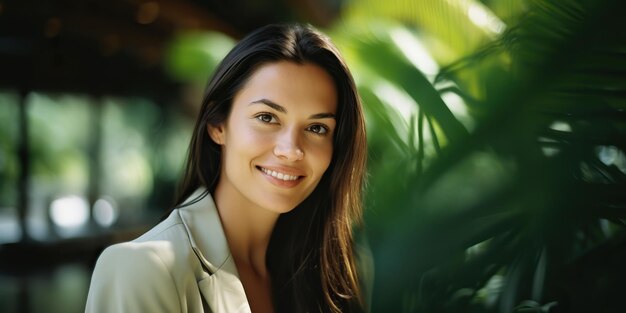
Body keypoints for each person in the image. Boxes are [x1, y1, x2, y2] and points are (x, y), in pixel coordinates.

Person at [85, 23, 367, 313]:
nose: (292, 150)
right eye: (267, 118)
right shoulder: (143, 269)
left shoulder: (330, 277)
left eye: (317, 127)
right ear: (218, 125)